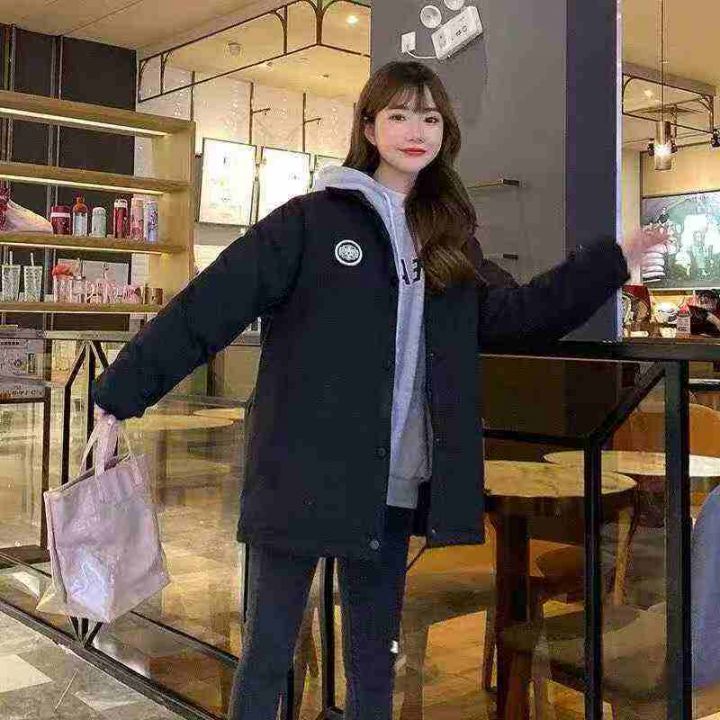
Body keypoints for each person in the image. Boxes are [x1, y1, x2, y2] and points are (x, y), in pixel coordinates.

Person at [93, 60, 656, 720]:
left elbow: (520, 315)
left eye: (430, 118)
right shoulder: (310, 222)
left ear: (445, 133)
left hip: (392, 484)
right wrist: (119, 392)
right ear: (368, 127)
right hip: (299, 477)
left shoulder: (448, 242)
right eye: (399, 115)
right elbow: (210, 305)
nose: (416, 131)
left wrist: (611, 262)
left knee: (374, 659)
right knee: (269, 651)